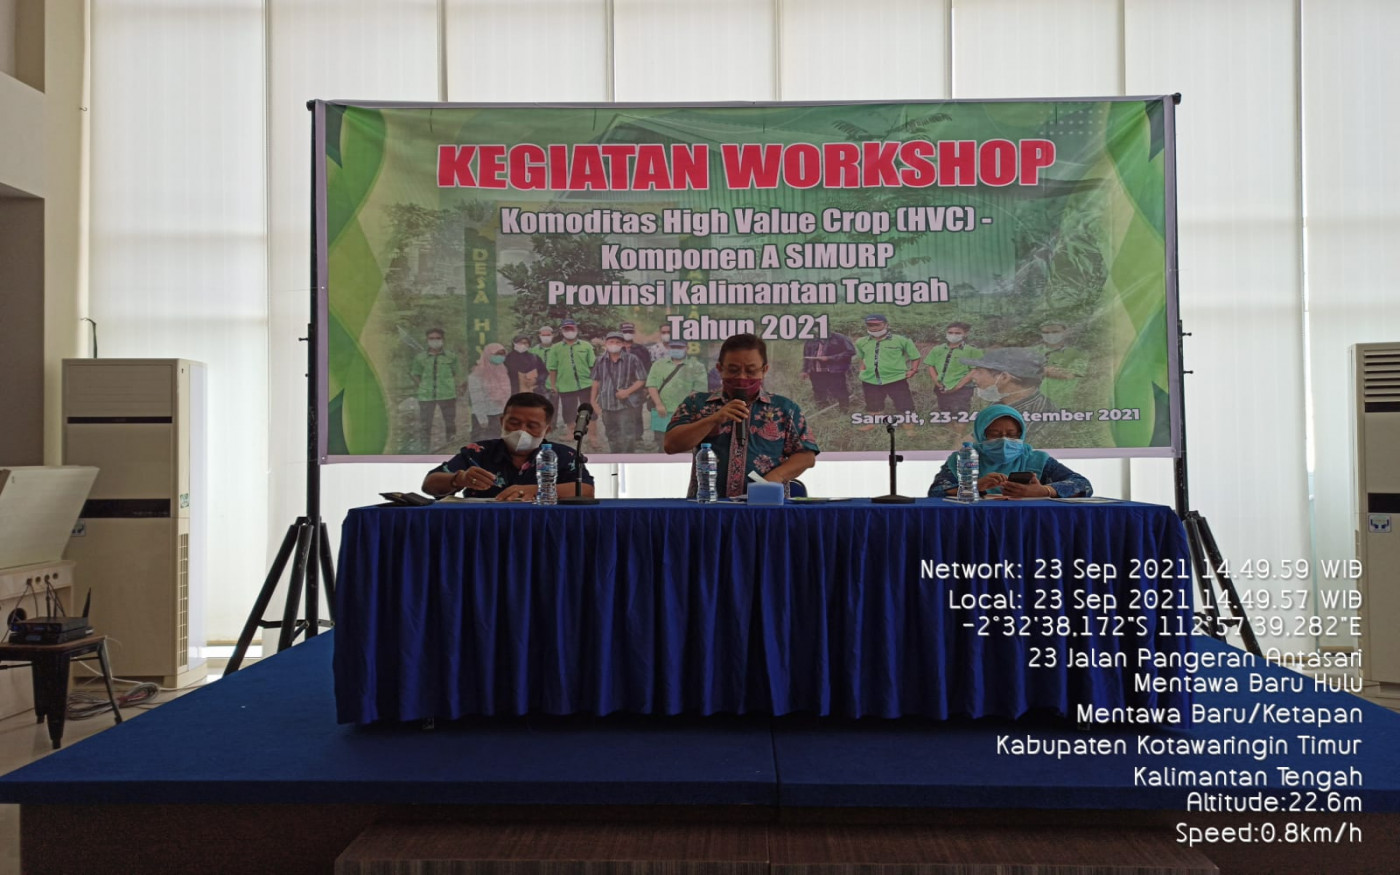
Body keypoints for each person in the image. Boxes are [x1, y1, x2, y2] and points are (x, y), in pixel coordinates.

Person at [665, 332, 819, 498]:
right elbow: (671, 445)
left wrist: (776, 477)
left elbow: (806, 456)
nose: (742, 377)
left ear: (764, 370)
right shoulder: (697, 403)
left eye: (751, 371)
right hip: (708, 505)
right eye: (733, 370)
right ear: (720, 369)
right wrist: (713, 419)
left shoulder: (785, 408)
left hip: (766, 504)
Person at [422, 392, 595, 502]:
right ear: (501, 421)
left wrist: (535, 490)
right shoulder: (477, 452)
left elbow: (586, 490)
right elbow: (429, 484)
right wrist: (458, 479)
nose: (521, 431)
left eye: (532, 426)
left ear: (547, 430)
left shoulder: (562, 455)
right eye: (514, 423)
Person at [927, 404, 1092, 498]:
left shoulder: (1036, 459)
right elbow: (936, 492)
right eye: (994, 434)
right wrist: (975, 487)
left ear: (1021, 434)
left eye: (1012, 435)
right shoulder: (964, 458)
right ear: (981, 434)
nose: (1004, 440)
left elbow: (1083, 485)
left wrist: (1043, 490)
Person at [853, 314, 921, 430]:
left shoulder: (901, 340)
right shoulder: (861, 342)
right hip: (870, 379)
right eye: (870, 325)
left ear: (886, 325)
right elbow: (862, 358)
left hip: (895, 378)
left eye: (877, 325)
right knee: (873, 403)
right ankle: (872, 424)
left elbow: (915, 356)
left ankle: (909, 427)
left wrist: (913, 370)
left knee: (904, 403)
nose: (874, 328)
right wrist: (862, 370)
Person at [590, 330, 649, 453]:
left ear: (623, 344)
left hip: (625, 405)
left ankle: (627, 458)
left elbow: (641, 379)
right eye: (611, 341)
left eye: (618, 342)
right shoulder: (600, 360)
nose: (614, 344)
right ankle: (615, 456)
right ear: (606, 343)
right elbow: (596, 381)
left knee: (628, 435)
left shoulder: (632, 359)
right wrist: (593, 401)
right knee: (611, 434)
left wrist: (627, 391)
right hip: (606, 404)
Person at [646, 338, 710, 446]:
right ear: (669, 348)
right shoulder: (658, 365)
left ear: (687, 348)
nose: (676, 349)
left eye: (680, 347)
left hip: (685, 414)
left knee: (684, 444)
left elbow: (699, 390)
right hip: (662, 412)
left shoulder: (697, 366)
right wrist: (658, 404)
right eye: (673, 347)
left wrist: (684, 407)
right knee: (662, 444)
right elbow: (652, 385)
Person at [963, 347, 1056, 416]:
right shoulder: (1002, 404)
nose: (973, 376)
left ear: (1004, 377)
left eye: (979, 372)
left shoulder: (1039, 417)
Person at [409, 326, 461, 449]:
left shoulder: (451, 356)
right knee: (425, 424)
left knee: (450, 422)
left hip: (447, 394)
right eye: (431, 338)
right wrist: (423, 386)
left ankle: (451, 446)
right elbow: (415, 374)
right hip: (426, 395)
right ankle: (425, 448)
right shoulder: (420, 357)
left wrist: (449, 384)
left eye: (438, 338)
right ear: (427, 340)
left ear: (443, 339)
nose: (435, 341)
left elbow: (456, 373)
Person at [545, 317, 596, 431]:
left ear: (576, 329)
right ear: (562, 331)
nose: (569, 331)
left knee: (588, 408)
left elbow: (593, 366)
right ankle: (571, 433)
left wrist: (595, 382)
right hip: (565, 384)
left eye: (571, 328)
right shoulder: (555, 348)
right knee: (568, 411)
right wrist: (553, 385)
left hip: (585, 383)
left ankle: (592, 435)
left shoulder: (586, 346)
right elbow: (552, 368)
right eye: (566, 329)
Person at [924, 321, 980, 421]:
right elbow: (931, 365)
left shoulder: (972, 351)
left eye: (957, 333)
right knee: (945, 412)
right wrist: (937, 382)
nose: (953, 335)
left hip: (962, 389)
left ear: (965, 334)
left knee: (960, 414)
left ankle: (959, 430)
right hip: (941, 387)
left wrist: (957, 386)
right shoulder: (937, 349)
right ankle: (950, 429)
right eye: (950, 332)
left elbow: (974, 370)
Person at [1034, 320, 1088, 409]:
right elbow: (1019, 371)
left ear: (1065, 332)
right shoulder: (1031, 351)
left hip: (1063, 402)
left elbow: (1071, 374)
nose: (1050, 335)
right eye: (1046, 332)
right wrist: (1045, 370)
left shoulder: (1077, 353)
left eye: (1055, 332)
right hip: (1034, 403)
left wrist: (1040, 370)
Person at [800, 331, 856, 411]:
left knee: (840, 391)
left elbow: (851, 351)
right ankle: (822, 412)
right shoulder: (811, 339)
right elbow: (806, 355)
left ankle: (844, 411)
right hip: (815, 371)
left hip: (835, 371)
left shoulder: (839, 338)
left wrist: (830, 358)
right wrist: (805, 370)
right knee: (818, 392)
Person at [466, 342, 512, 440]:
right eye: (497, 354)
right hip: (482, 416)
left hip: (498, 413)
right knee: (480, 444)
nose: (500, 357)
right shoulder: (476, 375)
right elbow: (477, 399)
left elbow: (507, 394)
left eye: (502, 354)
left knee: (495, 442)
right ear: (488, 355)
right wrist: (482, 419)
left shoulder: (503, 371)